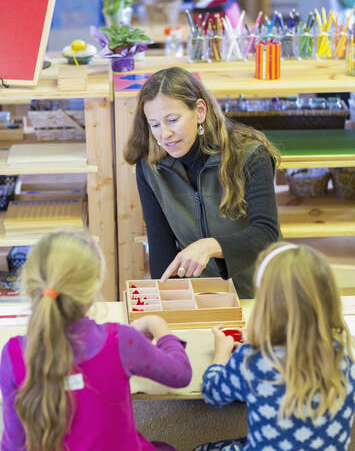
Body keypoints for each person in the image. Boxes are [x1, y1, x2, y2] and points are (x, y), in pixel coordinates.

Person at [0, 230, 192, 451]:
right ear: (92, 292)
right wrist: (160, 328)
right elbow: (181, 374)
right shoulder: (121, 341)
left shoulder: (12, 353)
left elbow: (13, 444)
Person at [124, 67, 280, 298]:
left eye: (173, 120)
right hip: (204, 296)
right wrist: (166, 308)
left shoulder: (250, 155)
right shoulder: (149, 168)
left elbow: (266, 235)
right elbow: (161, 251)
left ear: (199, 111)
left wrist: (210, 245)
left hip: (262, 293)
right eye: (154, 124)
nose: (164, 134)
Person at [195, 242, 355, 451]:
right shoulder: (344, 355)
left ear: (265, 305)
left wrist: (220, 354)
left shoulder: (252, 359)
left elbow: (213, 394)